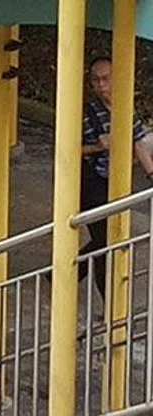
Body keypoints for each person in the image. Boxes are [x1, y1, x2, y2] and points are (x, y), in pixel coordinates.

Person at [79, 55, 153, 299]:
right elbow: (67, 150)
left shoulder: (125, 108)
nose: (101, 86)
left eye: (106, 79)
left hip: (116, 181)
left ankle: (69, 271)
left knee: (110, 237)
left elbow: (139, 141)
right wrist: (97, 146)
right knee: (103, 242)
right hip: (92, 182)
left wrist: (150, 172)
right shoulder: (87, 114)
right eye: (96, 81)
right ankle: (109, 302)